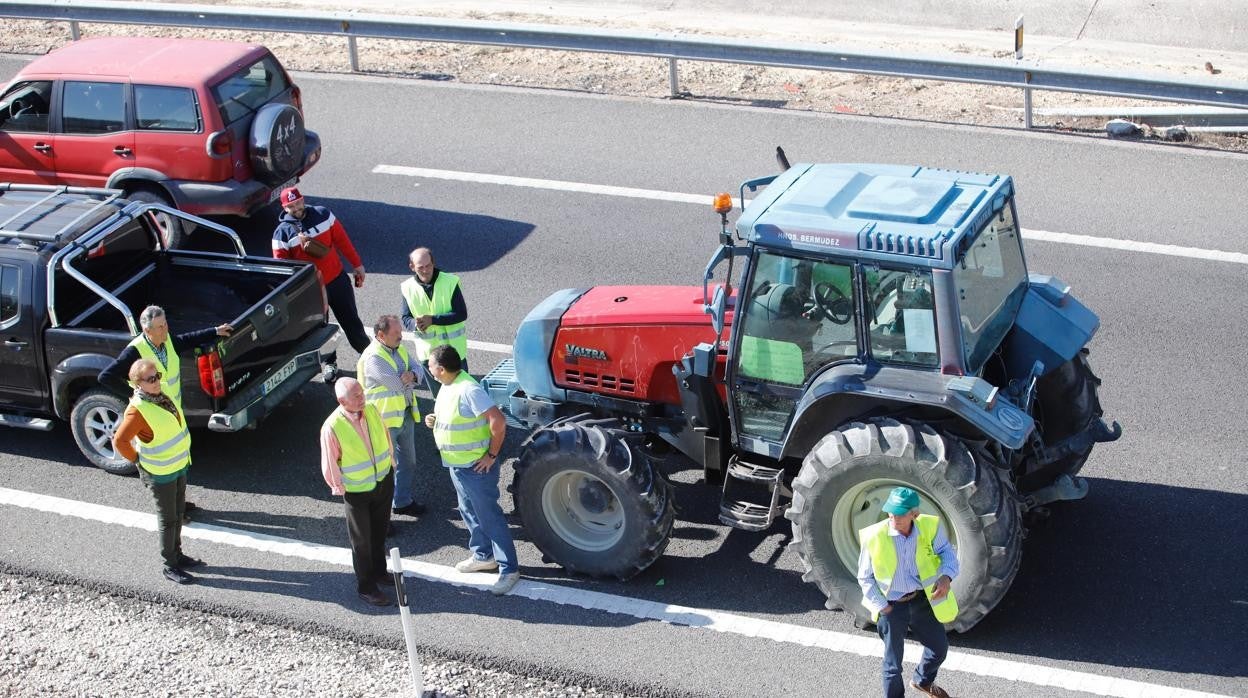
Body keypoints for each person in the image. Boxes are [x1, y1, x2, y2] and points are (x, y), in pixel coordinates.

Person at [99, 305, 232, 521]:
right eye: (160, 327)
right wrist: (136, 395)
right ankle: (174, 515)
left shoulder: (168, 341)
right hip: (154, 417)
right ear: (147, 330)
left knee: (179, 461)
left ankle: (180, 505)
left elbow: (188, 339)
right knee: (164, 468)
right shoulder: (136, 350)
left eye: (166, 323)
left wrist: (215, 331)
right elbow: (106, 377)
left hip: (172, 413)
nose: (165, 329)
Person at [423, 345, 518, 596]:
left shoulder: (469, 389)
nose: (429, 368)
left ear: (441, 369)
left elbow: (498, 421)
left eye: (430, 365)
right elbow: (457, 417)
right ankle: (483, 555)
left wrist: (491, 455)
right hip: (458, 463)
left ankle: (509, 570)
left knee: (489, 516)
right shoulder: (449, 385)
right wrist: (434, 420)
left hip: (476, 466)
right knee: (468, 511)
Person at [857, 487, 960, 698]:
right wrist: (883, 606)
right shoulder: (874, 536)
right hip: (891, 606)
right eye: (890, 511)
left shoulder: (928, 527)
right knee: (893, 665)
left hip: (921, 600)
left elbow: (947, 553)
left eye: (900, 513)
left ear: (915, 513)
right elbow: (864, 578)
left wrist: (946, 577)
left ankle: (922, 681)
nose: (893, 516)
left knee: (939, 648)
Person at [111, 358, 204, 585]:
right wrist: (138, 462)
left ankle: (178, 555)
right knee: (168, 520)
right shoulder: (137, 412)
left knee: (178, 513)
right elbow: (120, 441)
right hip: (160, 473)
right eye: (151, 379)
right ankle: (169, 565)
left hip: (177, 465)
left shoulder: (162, 396)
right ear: (137, 384)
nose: (157, 382)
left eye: (157, 376)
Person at [272, 187, 370, 371]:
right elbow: (283, 270)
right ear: (285, 208)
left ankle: (372, 358)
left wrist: (357, 265)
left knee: (352, 322)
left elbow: (342, 240)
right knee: (320, 331)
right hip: (312, 291)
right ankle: (329, 364)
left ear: (303, 199)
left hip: (337, 281)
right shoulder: (281, 234)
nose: (297, 207)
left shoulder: (323, 214)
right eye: (291, 205)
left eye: (298, 202)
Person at [320, 377, 396, 607]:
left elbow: (385, 436)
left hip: (382, 480)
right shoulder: (332, 426)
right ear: (342, 400)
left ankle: (380, 571)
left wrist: (391, 464)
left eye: (361, 392)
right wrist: (337, 485)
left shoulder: (371, 409)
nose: (362, 397)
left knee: (380, 531)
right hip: (356, 490)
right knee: (361, 540)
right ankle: (366, 586)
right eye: (356, 396)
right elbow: (329, 460)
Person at [357, 314, 427, 519]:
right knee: (385, 471)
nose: (401, 336)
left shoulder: (399, 349)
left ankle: (402, 502)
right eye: (396, 333)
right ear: (381, 335)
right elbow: (396, 384)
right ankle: (382, 517)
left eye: (400, 331)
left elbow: (419, 370)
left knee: (409, 462)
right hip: (384, 422)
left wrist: (412, 375)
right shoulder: (374, 358)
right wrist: (409, 377)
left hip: (403, 415)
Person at [400, 247, 468, 383]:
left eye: (428, 266)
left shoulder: (450, 282)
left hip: (453, 354)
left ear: (433, 263)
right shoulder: (407, 288)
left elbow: (461, 314)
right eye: (420, 267)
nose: (425, 270)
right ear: (412, 267)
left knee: (462, 396)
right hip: (429, 357)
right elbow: (406, 318)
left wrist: (433, 320)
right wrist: (415, 324)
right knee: (439, 399)